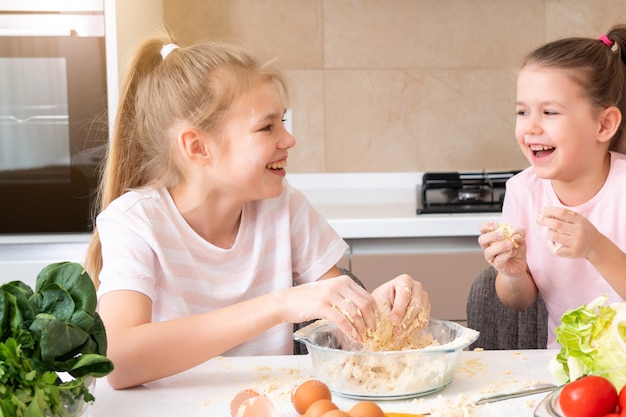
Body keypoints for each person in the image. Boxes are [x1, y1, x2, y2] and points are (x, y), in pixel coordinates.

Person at [83, 35, 430, 389]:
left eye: (282, 121)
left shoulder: (284, 206)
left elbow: (348, 338)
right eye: (267, 127)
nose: (288, 139)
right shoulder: (136, 222)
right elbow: (118, 361)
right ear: (198, 147)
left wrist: (382, 312)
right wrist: (280, 304)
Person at [478, 24, 626, 349]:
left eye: (549, 112)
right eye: (522, 111)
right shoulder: (522, 191)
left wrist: (595, 248)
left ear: (604, 124)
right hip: (566, 371)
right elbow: (519, 301)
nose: (530, 126)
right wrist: (513, 273)